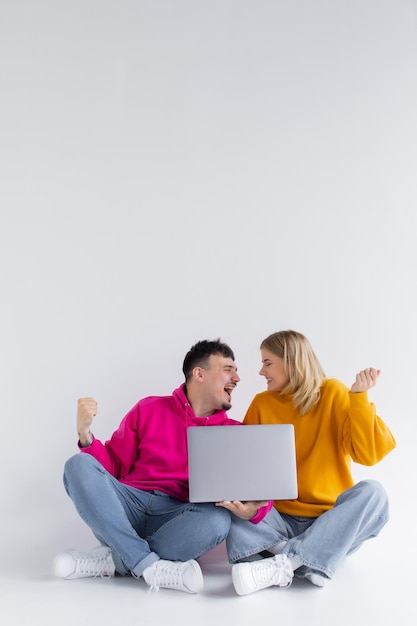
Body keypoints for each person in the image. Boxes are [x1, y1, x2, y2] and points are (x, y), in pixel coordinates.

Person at [53, 339, 270, 594]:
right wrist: (85, 433)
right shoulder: (149, 408)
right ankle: (149, 567)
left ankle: (115, 560)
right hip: (127, 507)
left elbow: (260, 492)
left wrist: (253, 512)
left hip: (179, 516)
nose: (237, 378)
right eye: (228, 369)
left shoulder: (235, 433)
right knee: (78, 465)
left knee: (218, 522)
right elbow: (112, 466)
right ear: (199, 374)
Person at [221, 330, 396, 596]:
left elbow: (368, 455)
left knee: (375, 494)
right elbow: (247, 469)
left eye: (267, 363)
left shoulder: (335, 392)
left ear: (290, 360)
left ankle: (285, 563)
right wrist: (247, 508)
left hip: (330, 521)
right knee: (225, 510)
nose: (261, 372)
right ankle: (312, 559)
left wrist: (359, 397)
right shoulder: (262, 403)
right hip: (277, 518)